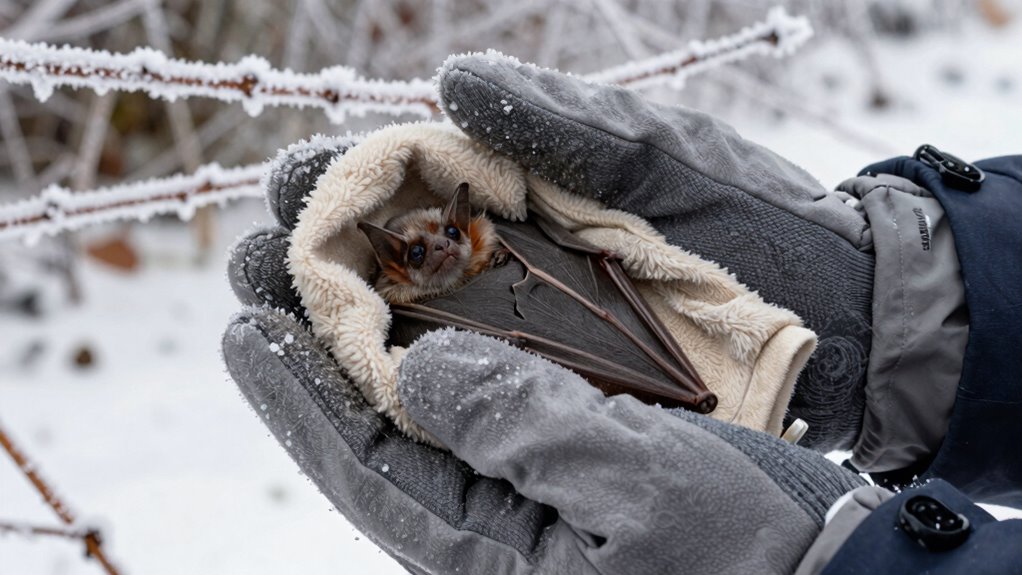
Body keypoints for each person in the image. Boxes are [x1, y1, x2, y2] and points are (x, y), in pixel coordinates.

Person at [222, 53, 1022, 574]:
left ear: (467, 223)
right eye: (413, 254)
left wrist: (824, 560)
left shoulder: (528, 255)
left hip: (617, 342)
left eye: (440, 240)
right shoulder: (412, 313)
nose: (434, 254)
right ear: (395, 265)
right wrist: (906, 299)